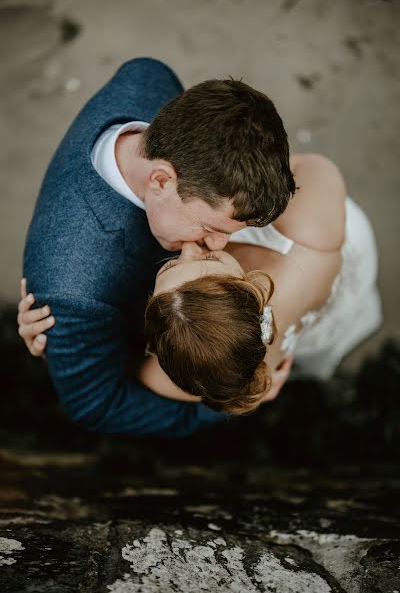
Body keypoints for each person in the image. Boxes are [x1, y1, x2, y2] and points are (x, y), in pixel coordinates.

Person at [20, 57, 296, 437]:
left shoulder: (149, 77)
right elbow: (97, 406)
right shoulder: (72, 292)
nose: (221, 246)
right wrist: (228, 404)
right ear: (161, 180)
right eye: (210, 228)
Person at [19, 149, 382, 416]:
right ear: (251, 289)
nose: (190, 247)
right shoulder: (308, 244)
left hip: (293, 336)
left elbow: (109, 373)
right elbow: (316, 167)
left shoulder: (194, 372)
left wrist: (56, 339)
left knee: (315, 354)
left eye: (170, 268)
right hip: (334, 252)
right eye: (209, 261)